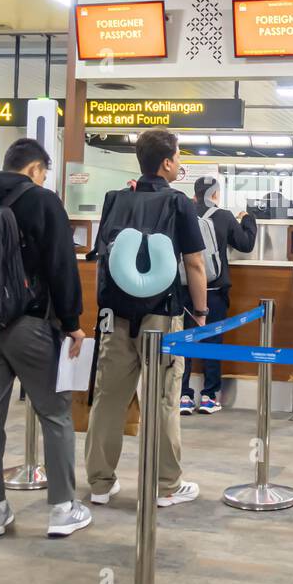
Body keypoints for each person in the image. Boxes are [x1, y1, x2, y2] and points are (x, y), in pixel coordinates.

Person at [0, 139, 88, 539]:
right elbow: (61, 265)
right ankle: (62, 508)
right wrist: (72, 322)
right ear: (35, 168)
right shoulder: (43, 201)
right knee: (55, 413)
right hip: (28, 325)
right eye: (45, 172)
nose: (44, 179)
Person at [86, 129, 209, 508]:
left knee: (109, 398)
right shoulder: (178, 203)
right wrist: (201, 315)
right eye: (177, 157)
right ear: (167, 162)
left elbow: (102, 257)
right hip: (162, 317)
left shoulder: (114, 199)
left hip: (116, 315)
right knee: (163, 398)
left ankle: (100, 484)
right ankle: (165, 485)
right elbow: (195, 263)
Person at [180, 175, 257, 415]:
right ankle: (209, 397)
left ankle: (182, 396)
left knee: (184, 345)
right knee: (212, 344)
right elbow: (245, 244)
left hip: (183, 291)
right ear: (215, 194)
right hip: (213, 291)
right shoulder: (223, 216)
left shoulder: (183, 215)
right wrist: (248, 219)